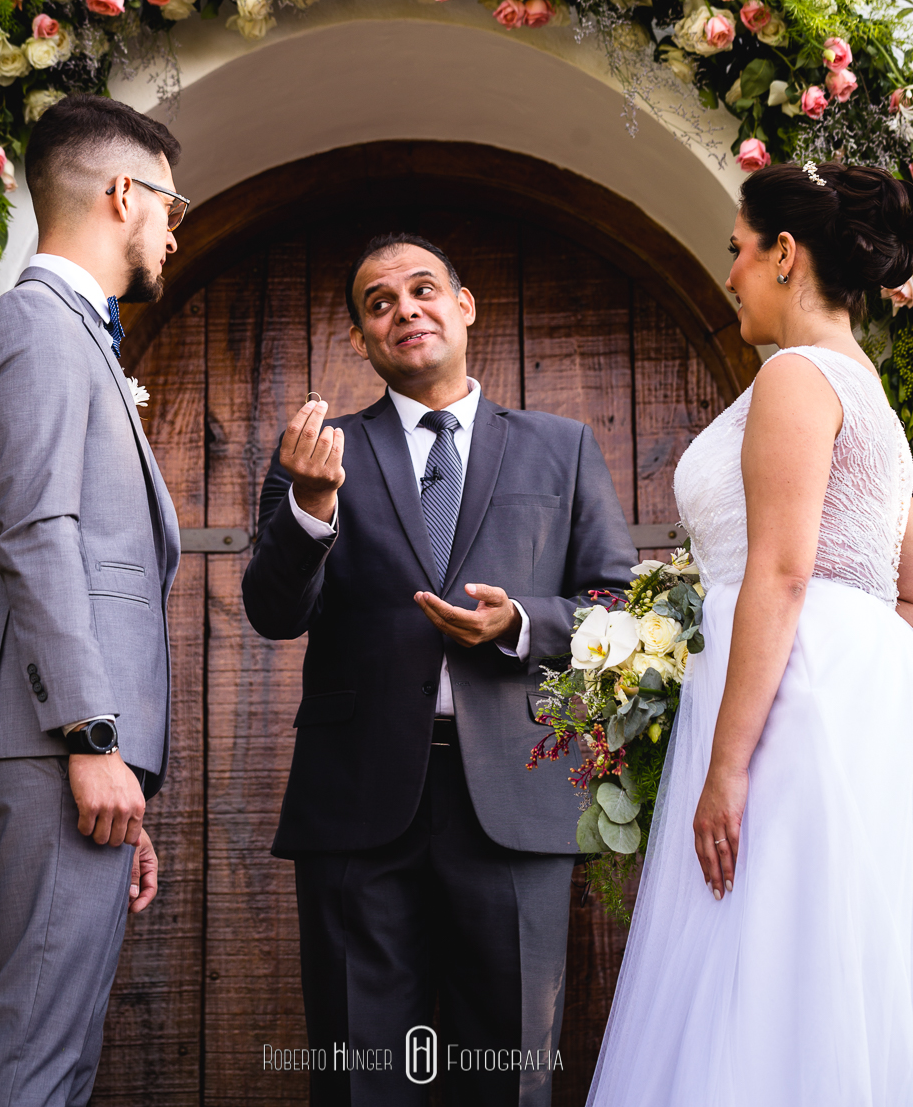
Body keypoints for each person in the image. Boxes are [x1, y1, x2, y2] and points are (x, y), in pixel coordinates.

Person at [242, 232, 635, 1106]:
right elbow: (274, 613)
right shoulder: (317, 451)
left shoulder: (560, 447)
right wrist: (309, 508)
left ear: (463, 307)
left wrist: (523, 622)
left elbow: (617, 605)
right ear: (361, 340)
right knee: (360, 1069)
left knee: (510, 1071)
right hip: (356, 803)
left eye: (423, 290)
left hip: (515, 799)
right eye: (379, 303)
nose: (404, 309)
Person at [588, 161, 913, 1106]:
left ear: (783, 254)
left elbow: (780, 568)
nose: (728, 273)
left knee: (762, 949)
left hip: (785, 702)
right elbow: (905, 587)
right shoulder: (876, 397)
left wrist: (726, 766)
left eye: (736, 251)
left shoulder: (795, 379)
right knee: (825, 953)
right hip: (849, 694)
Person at [0, 93, 186, 1107]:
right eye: (172, 205)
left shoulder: (73, 335)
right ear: (122, 193)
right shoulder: (40, 329)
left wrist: (110, 767)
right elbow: (38, 539)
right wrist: (91, 737)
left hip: (63, 751)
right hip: (53, 744)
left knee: (59, 1053)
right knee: (37, 1054)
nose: (174, 232)